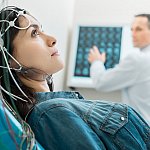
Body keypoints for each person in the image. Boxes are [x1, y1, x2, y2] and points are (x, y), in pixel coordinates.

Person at [0, 6, 150, 150]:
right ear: (9, 59)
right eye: (34, 33)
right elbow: (102, 83)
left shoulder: (56, 109)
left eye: (42, 30)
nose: (52, 39)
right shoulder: (51, 113)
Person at [88, 14, 150, 125]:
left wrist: (96, 62)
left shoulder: (138, 60)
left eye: (139, 29)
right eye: (132, 29)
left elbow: (101, 82)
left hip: (142, 131)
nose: (133, 34)